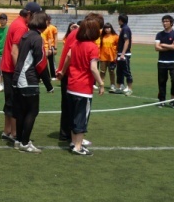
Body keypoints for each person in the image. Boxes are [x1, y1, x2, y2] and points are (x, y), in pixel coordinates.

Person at [56, 13, 103, 145]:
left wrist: (61, 70)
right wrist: (101, 83)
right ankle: (74, 138)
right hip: (75, 76)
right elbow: (70, 56)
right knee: (78, 111)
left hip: (69, 74)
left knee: (69, 107)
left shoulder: (77, 34)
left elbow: (68, 54)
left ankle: (69, 135)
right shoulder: (82, 37)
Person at [0, 2, 42, 144]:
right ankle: (14, 133)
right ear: (29, 14)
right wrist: (20, 71)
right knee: (15, 103)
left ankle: (7, 131)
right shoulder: (21, 27)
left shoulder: (17, 23)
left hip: (9, 68)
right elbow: (15, 51)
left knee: (10, 101)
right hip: (12, 69)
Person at [12, 11, 53, 154]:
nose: (48, 24)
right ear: (42, 22)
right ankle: (24, 142)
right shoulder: (37, 38)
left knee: (21, 111)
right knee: (32, 111)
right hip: (28, 78)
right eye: (47, 21)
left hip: (18, 77)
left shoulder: (26, 35)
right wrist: (49, 85)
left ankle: (19, 140)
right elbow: (40, 63)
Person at [155, 14, 174, 109]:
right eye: (163, 21)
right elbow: (156, 48)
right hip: (162, 62)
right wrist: (170, 47)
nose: (165, 23)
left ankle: (173, 100)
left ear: (171, 23)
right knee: (162, 82)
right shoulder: (159, 34)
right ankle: (162, 101)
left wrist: (163, 45)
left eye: (167, 21)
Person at [111, 14, 133, 96]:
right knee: (119, 71)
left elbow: (127, 41)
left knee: (126, 71)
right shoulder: (123, 28)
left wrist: (123, 54)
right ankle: (120, 87)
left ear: (120, 20)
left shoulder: (125, 29)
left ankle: (129, 88)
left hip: (124, 54)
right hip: (120, 53)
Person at [98, 23, 119, 92]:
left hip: (111, 57)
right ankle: (101, 84)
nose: (107, 30)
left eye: (108, 28)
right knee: (102, 72)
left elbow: (118, 47)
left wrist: (116, 56)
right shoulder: (102, 36)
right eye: (105, 28)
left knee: (111, 71)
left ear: (111, 28)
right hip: (103, 57)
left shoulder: (115, 36)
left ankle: (112, 85)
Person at [41, 14, 58, 79]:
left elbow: (54, 38)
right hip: (43, 46)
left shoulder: (53, 28)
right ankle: (44, 76)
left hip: (50, 46)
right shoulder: (42, 27)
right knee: (43, 62)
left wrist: (54, 48)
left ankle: (53, 75)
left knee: (52, 62)